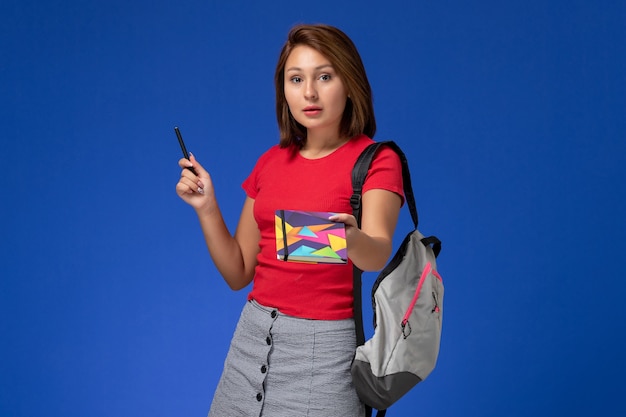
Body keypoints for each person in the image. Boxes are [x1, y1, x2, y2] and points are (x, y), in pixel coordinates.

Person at [176, 23, 404, 417]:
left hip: (324, 355)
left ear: (349, 84)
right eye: (296, 79)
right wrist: (207, 207)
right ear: (284, 89)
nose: (309, 92)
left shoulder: (376, 160)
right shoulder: (270, 163)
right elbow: (238, 272)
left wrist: (347, 238)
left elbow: (377, 253)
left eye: (325, 76)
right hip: (251, 341)